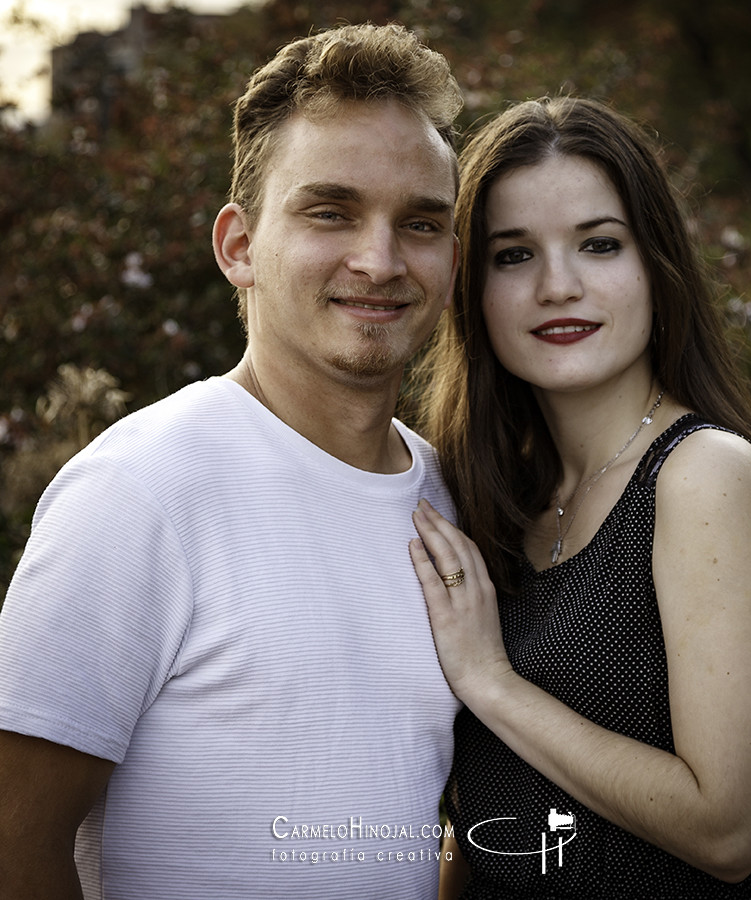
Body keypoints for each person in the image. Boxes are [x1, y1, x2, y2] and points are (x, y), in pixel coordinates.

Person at [0, 23, 462, 899]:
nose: (380, 259)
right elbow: (14, 845)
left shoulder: (449, 500)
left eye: (420, 222)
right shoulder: (138, 491)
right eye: (331, 211)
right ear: (239, 246)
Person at [408, 96, 751, 899]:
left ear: (655, 266)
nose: (559, 286)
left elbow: (727, 830)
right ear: (473, 289)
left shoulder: (703, 478)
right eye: (514, 255)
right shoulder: (495, 495)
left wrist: (492, 683)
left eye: (598, 244)